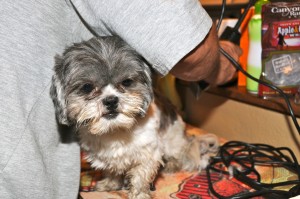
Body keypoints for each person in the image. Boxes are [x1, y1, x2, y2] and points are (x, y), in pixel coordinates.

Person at [0, 0, 241, 198]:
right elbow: (197, 57)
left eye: (125, 84)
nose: (110, 99)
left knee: (165, 155)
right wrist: (220, 62)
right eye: (87, 88)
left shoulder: (147, 124)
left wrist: (139, 189)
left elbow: (189, 50)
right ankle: (114, 177)